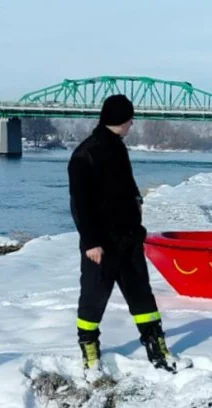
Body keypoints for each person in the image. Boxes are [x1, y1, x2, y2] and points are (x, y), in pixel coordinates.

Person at [68, 93, 176, 372]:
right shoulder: (85, 153)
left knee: (142, 295)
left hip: (128, 237)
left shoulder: (117, 147)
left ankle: (155, 343)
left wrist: (137, 205)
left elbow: (126, 186)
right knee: (94, 297)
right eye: (130, 119)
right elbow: (80, 204)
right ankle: (89, 346)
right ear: (120, 120)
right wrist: (91, 241)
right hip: (101, 244)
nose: (132, 124)